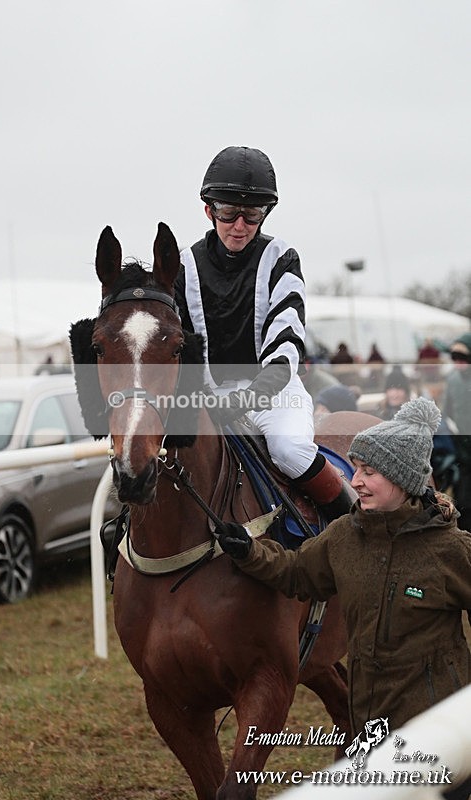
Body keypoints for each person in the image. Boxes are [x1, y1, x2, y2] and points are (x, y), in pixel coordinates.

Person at [216, 398, 471, 797]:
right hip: (370, 730)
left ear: (402, 480)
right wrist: (249, 552)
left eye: (369, 472)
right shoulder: (343, 537)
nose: (355, 482)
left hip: (440, 732)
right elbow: (297, 573)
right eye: (357, 470)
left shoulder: (453, 550)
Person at [175, 146, 351, 523]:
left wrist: (249, 397)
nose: (239, 226)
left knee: (289, 450)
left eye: (251, 215)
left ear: (264, 215)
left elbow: (286, 344)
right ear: (209, 211)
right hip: (209, 398)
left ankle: (357, 530)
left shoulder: (281, 258)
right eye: (228, 213)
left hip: (272, 394)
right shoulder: (183, 265)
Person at [443, 332, 471, 531]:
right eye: (454, 357)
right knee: (464, 498)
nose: (458, 362)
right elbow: (447, 412)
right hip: (462, 448)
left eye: (463, 357)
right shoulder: (452, 380)